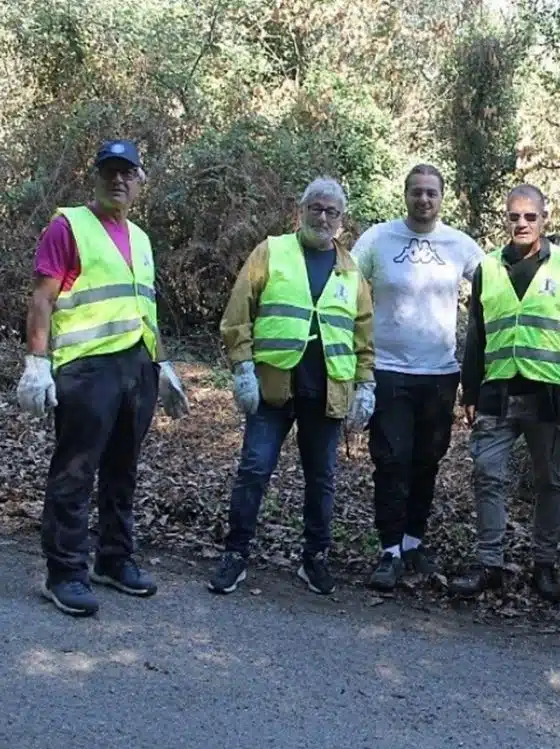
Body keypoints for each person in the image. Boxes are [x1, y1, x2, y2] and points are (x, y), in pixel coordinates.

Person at [16, 139, 190, 617]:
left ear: (140, 181)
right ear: (94, 177)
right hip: (87, 368)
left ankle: (114, 559)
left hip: (138, 367)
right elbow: (42, 298)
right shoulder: (69, 226)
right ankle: (65, 571)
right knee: (75, 470)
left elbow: (143, 307)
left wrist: (163, 363)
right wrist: (37, 361)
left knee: (122, 469)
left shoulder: (140, 237)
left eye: (127, 172)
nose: (119, 180)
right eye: (109, 171)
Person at [210, 177, 375, 596]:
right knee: (253, 470)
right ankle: (235, 554)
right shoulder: (271, 251)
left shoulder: (350, 269)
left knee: (322, 479)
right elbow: (237, 313)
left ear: (342, 219)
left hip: (327, 392)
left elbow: (363, 336)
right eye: (316, 208)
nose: (323, 217)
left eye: (331, 211)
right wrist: (242, 368)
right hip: (272, 388)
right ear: (300, 211)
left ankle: (314, 559)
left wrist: (366, 384)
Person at [452, 184, 560, 602]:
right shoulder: (488, 268)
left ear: (543, 219)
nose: (522, 224)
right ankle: (489, 564)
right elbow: (477, 335)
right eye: (514, 216)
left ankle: (545, 565)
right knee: (487, 474)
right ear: (506, 218)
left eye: (530, 217)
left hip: (549, 394)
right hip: (497, 391)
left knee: (549, 481)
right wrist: (469, 389)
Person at [351, 164, 485, 591]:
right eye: (417, 192)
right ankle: (389, 550)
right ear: (405, 195)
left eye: (431, 193)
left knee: (427, 461)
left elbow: (495, 289)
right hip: (388, 370)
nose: (424, 200)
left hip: (440, 374)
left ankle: (413, 543)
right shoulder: (377, 239)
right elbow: (346, 289)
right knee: (391, 461)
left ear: (442, 198)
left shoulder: (459, 245)